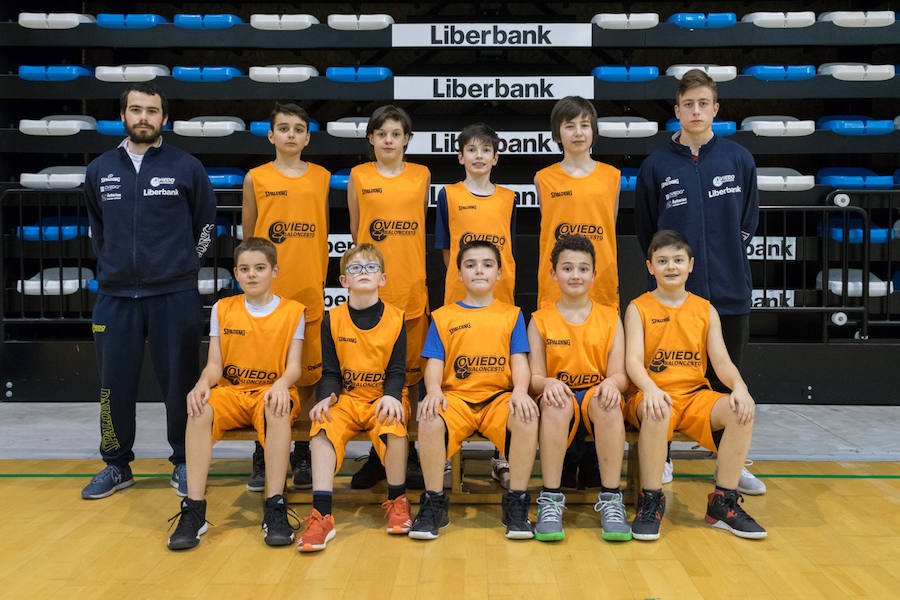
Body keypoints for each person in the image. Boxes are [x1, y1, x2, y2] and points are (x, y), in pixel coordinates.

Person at [82, 82, 216, 500]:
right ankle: (116, 464)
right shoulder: (100, 169)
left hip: (174, 295)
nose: (144, 117)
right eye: (136, 109)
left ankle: (184, 460)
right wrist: (115, 268)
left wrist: (184, 266)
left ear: (164, 118)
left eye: (152, 111)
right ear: (123, 115)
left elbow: (206, 226)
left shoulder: (186, 166)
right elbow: (98, 230)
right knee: (113, 385)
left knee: (181, 385)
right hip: (115, 297)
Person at [634, 69, 765, 495]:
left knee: (728, 381)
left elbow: (748, 221)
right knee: (668, 379)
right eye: (688, 104)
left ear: (715, 109)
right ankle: (663, 456)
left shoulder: (738, 159)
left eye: (703, 104)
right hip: (673, 298)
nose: (695, 111)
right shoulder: (656, 165)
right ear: (677, 111)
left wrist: (724, 260)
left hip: (729, 292)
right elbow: (647, 230)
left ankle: (730, 463)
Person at [623, 230, 766, 541]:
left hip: (693, 397)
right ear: (650, 267)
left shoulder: (705, 309)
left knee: (740, 410)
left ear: (690, 265)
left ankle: (723, 503)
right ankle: (651, 501)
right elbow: (632, 361)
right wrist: (650, 389)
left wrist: (740, 387)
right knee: (658, 410)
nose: (670, 267)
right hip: (651, 395)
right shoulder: (638, 307)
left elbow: (722, 362)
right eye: (662, 261)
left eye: (677, 260)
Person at [167, 237, 305, 550]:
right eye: (245, 269)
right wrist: (202, 383)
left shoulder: (293, 311)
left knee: (278, 408)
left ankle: (275, 506)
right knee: (199, 408)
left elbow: (294, 367)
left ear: (274, 271)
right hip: (233, 392)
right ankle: (194, 510)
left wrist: (282, 384)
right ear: (236, 274)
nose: (252, 274)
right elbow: (214, 365)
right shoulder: (223, 308)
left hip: (271, 391)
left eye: (259, 268)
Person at [410, 240, 538, 540]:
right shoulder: (444, 316)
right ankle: (433, 504)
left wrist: (521, 390)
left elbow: (519, 361)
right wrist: (433, 390)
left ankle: (517, 505)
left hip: (497, 399)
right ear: (459, 274)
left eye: (487, 265)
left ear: (499, 273)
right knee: (428, 417)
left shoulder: (512, 315)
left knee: (527, 416)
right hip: (456, 399)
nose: (479, 270)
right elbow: (435, 362)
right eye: (470, 265)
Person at [297, 244, 410, 551]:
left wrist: (391, 396)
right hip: (347, 398)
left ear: (382, 278)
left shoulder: (396, 318)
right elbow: (331, 371)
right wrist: (325, 397)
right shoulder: (332, 319)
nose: (363, 272)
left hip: (382, 397)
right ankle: (322, 515)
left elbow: (397, 370)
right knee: (322, 426)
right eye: (355, 268)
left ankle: (398, 501)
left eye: (371, 267)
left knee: (394, 425)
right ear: (344, 280)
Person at [242, 102, 331, 492]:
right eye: (283, 128)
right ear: (271, 135)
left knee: (308, 377)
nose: (291, 134)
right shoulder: (256, 178)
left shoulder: (321, 177)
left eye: (298, 129)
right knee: (265, 375)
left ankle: (302, 451)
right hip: (269, 296)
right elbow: (250, 238)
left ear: (307, 138)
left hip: (308, 288)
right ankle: (263, 451)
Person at [535, 95, 620, 486]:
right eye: (569, 125)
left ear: (594, 130)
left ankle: (594, 458)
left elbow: (608, 229)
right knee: (559, 377)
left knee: (599, 375)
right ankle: (565, 457)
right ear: (558, 133)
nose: (578, 132)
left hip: (599, 287)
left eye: (584, 124)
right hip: (556, 290)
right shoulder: (544, 178)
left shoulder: (611, 176)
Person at [528, 234, 631, 542]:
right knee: (555, 403)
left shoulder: (610, 318)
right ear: (553, 273)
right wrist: (548, 382)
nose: (575, 275)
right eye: (567, 268)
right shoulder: (539, 319)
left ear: (594, 275)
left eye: (583, 269)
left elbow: (621, 376)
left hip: (595, 396)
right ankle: (550, 499)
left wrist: (611, 383)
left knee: (607, 403)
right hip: (559, 397)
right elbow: (534, 377)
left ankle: (611, 499)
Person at [348, 105, 430, 489]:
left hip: (410, 289)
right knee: (373, 377)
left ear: (407, 139)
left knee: (410, 378)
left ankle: (406, 452)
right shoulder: (359, 175)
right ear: (371, 138)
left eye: (396, 134)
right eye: (381, 134)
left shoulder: (421, 175)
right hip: (372, 293)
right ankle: (376, 454)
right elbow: (357, 234)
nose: (388, 140)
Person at [433, 122, 517, 487]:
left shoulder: (508, 198)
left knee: (503, 377)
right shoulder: (448, 195)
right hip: (459, 299)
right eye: (471, 150)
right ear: (460, 157)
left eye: (485, 150)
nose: (478, 156)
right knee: (452, 378)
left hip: (500, 298)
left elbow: (509, 251)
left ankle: (502, 456)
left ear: (495, 158)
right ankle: (445, 456)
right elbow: (446, 250)